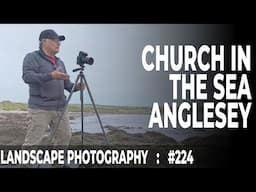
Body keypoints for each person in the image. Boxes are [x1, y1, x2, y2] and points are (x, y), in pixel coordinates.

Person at [22, 29, 84, 146]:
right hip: (40, 108)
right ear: (44, 41)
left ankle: (58, 162)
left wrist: (77, 87)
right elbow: (27, 77)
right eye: (55, 41)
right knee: (33, 141)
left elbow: (67, 85)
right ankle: (26, 164)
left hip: (60, 107)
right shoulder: (32, 57)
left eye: (59, 41)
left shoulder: (60, 62)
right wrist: (50, 75)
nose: (59, 44)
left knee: (65, 137)